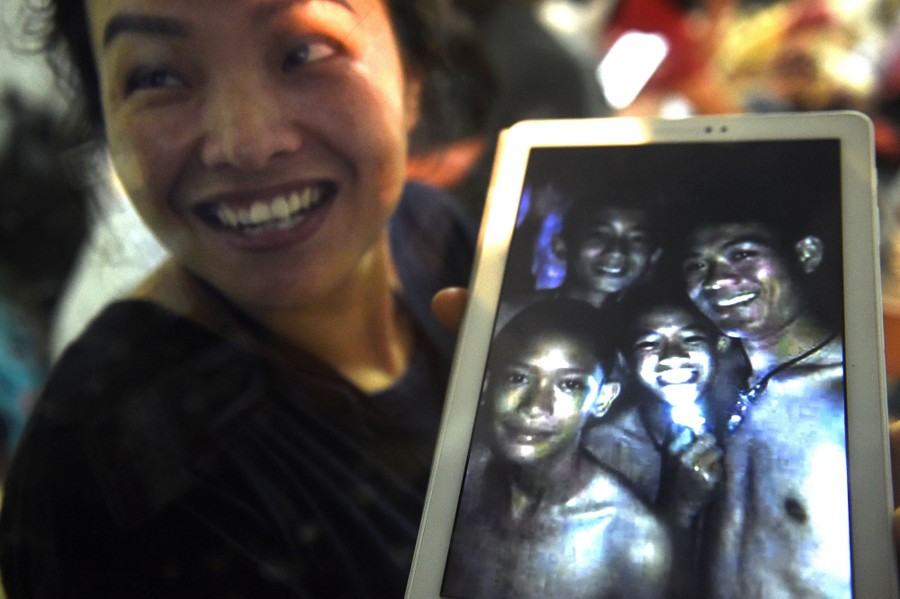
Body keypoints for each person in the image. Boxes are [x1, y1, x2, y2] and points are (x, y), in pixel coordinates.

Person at [0, 1, 489, 597]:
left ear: (412, 75)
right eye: (157, 76)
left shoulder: (434, 230)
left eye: (305, 51)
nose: (247, 143)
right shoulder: (100, 485)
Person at [442, 298, 672, 599]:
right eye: (517, 378)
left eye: (570, 385)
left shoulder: (635, 540)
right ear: (487, 386)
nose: (536, 406)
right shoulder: (456, 477)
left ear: (602, 398)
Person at [682, 219, 850, 598]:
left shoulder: (847, 396)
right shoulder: (716, 383)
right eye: (697, 264)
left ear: (806, 254)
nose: (715, 281)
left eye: (742, 254)